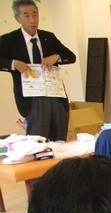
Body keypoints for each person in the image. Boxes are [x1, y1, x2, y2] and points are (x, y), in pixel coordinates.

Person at [0, 0, 76, 141]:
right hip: (32, 98)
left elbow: (71, 56)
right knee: (38, 142)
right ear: (17, 18)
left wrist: (56, 57)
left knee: (60, 140)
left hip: (55, 94)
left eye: (35, 14)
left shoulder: (48, 37)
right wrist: (13, 63)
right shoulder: (10, 39)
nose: (32, 20)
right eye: (26, 15)